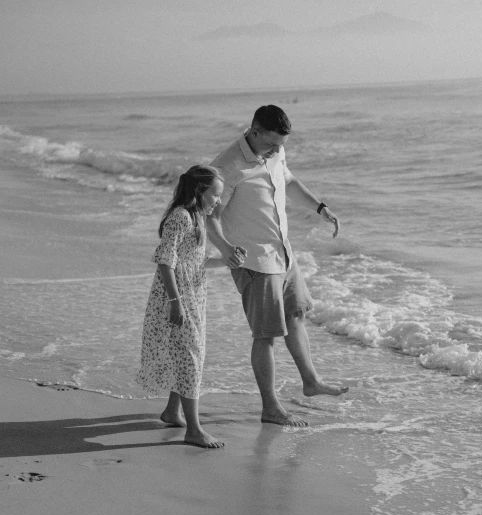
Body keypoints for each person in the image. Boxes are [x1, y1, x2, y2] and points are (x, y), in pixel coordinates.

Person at [207, 105, 348, 427]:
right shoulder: (227, 167)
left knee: (296, 315)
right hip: (254, 259)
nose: (277, 150)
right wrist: (225, 249)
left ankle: (311, 382)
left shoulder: (275, 152)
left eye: (281, 144)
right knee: (266, 335)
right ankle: (270, 408)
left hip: (282, 252)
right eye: (271, 143)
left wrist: (320, 208)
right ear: (254, 131)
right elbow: (210, 214)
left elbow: (289, 180)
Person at [136, 165, 245, 448]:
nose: (219, 201)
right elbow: (165, 261)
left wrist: (226, 260)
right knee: (191, 358)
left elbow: (194, 263)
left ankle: (173, 411)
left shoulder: (198, 218)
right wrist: (176, 302)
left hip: (193, 298)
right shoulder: (181, 217)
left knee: (185, 355)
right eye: (216, 195)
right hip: (177, 299)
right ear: (199, 192)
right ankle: (194, 429)